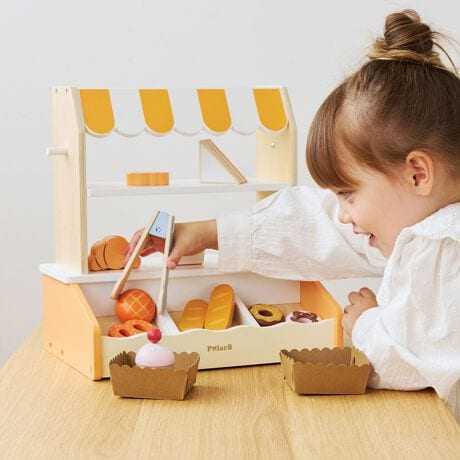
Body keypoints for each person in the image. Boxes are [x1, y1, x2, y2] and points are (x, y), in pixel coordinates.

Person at [126, 10, 460, 414]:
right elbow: (318, 226)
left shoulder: (441, 246)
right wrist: (212, 232)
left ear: (418, 174)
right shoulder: (424, 221)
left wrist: (366, 323)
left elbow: (409, 364)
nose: (343, 214)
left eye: (348, 193)